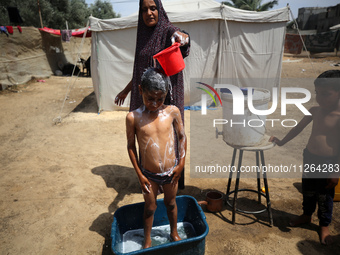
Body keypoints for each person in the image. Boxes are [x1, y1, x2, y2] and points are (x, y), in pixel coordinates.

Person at [115, 0, 190, 189]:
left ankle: (172, 179)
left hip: (167, 97)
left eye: (153, 8)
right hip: (146, 98)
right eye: (144, 9)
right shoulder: (142, 36)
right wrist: (126, 90)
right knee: (148, 136)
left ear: (160, 10)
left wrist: (183, 37)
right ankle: (149, 177)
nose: (149, 13)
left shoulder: (166, 30)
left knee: (169, 136)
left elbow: (181, 36)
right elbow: (140, 71)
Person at [270, 70, 340, 245]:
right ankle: (306, 215)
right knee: (308, 189)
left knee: (325, 195)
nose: (319, 98)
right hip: (310, 157)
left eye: (326, 94)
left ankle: (324, 225)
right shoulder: (314, 111)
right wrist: (282, 142)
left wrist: (336, 170)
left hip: (329, 163)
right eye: (317, 93)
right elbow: (297, 129)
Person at [126, 67, 187, 248]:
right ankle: (147, 240)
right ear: (140, 91)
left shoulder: (172, 112)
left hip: (171, 172)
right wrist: (140, 175)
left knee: (170, 203)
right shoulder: (133, 117)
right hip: (148, 174)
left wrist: (181, 164)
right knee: (150, 207)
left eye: (160, 99)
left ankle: (174, 232)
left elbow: (182, 136)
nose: (154, 103)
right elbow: (130, 146)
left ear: (166, 94)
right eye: (150, 98)